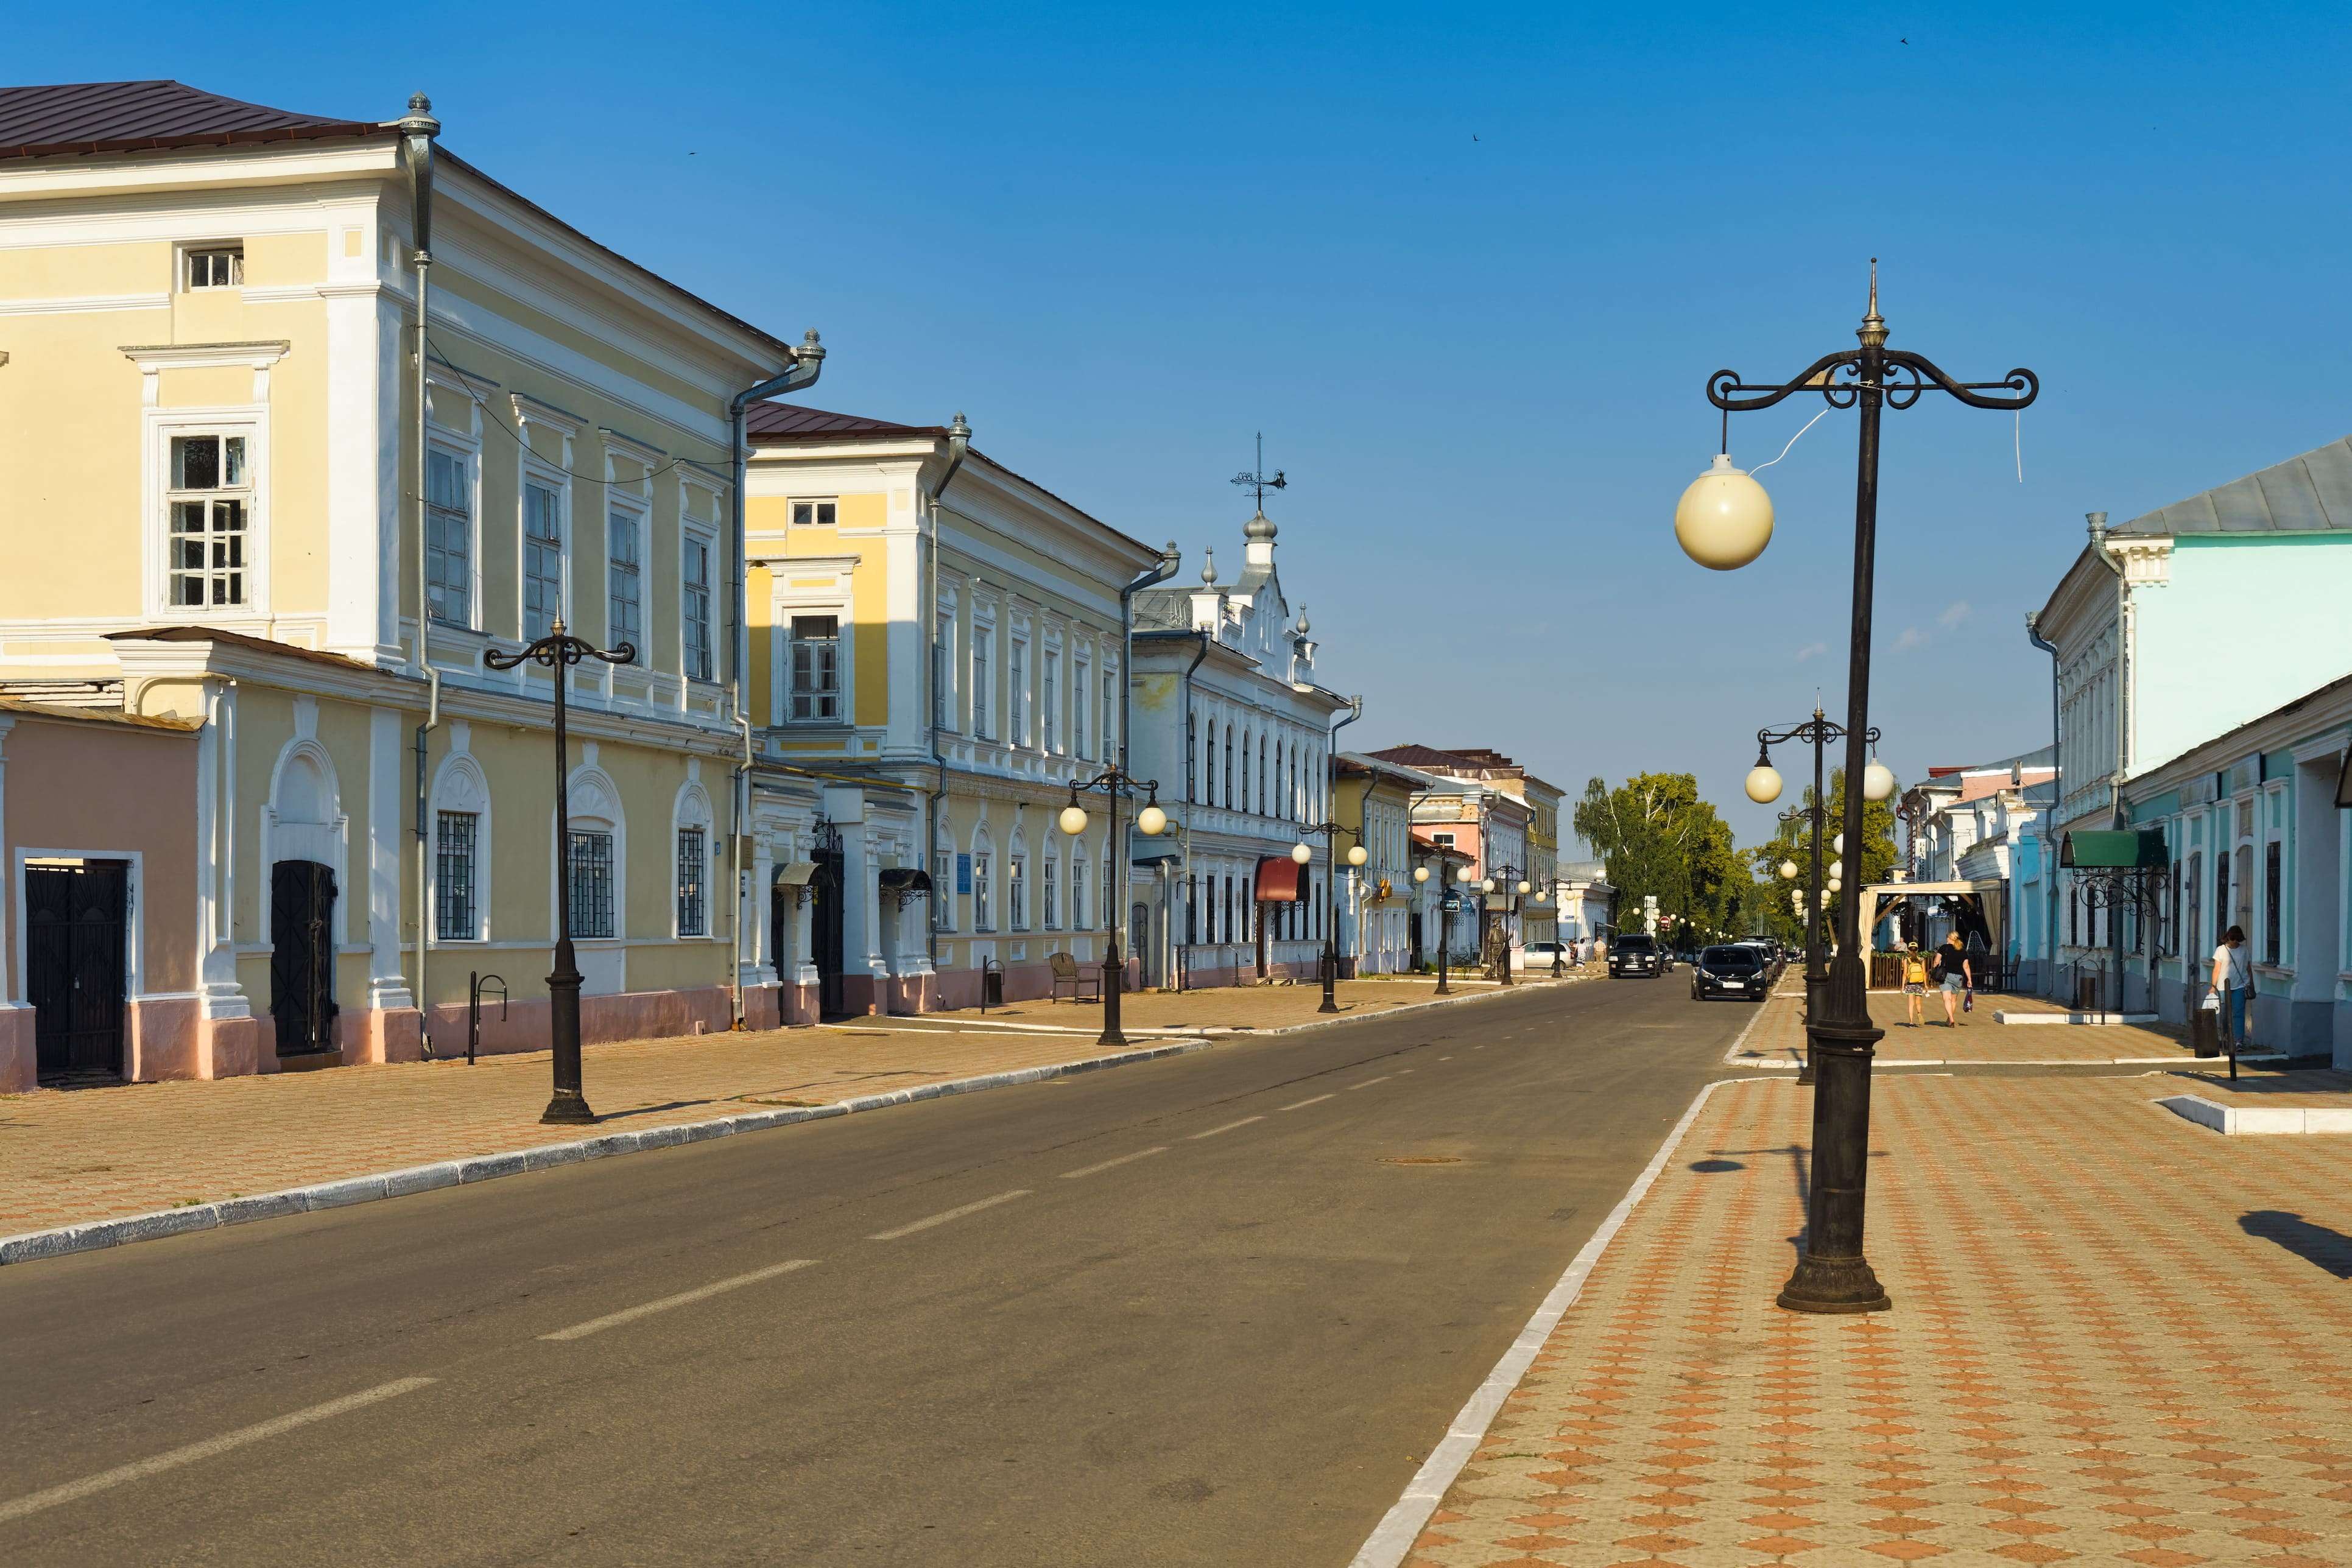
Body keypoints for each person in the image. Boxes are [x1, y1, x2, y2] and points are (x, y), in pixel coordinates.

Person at [2210, 924, 2251, 1048]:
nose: (2234, 942)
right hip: (2223, 987)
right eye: (2233, 939)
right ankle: (2224, 1037)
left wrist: (2251, 984)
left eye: (2237, 940)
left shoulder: (2244, 950)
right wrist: (2213, 987)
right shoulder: (2220, 950)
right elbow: (2216, 969)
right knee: (2224, 1014)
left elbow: (2248, 968)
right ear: (2228, 937)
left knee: (2238, 1013)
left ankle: (2239, 1041)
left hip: (2240, 986)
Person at [1934, 931, 1973, 1025]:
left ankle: (1951, 1019)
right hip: (1958, 977)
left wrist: (1934, 969)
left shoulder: (1944, 948)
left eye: (1947, 937)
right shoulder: (1963, 951)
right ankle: (1949, 1020)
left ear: (1950, 938)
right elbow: (1966, 966)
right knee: (1953, 1000)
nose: (1946, 938)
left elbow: (1936, 961)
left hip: (1946, 976)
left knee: (1947, 999)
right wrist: (1969, 979)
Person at [1900, 941, 1929, 1027]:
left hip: (1910, 983)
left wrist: (1903, 987)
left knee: (1911, 1004)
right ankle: (1919, 1014)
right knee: (1918, 1002)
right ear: (1917, 950)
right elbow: (1924, 973)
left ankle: (1911, 1022)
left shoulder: (1907, 960)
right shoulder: (1921, 959)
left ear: (1908, 950)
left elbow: (1905, 974)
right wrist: (1926, 985)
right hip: (1919, 983)